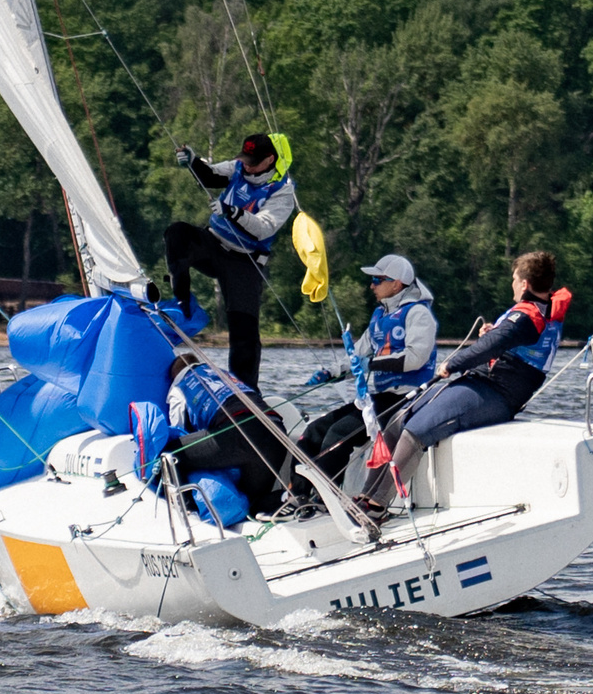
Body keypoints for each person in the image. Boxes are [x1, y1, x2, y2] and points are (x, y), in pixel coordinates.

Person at [358, 249, 572, 514]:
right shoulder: (540, 309)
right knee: (397, 420)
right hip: (481, 383)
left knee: (418, 429)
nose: (513, 286)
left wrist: (453, 364)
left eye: (514, 280)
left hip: (496, 394)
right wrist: (494, 332)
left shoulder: (528, 317)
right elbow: (506, 338)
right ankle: (365, 495)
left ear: (525, 284)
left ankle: (377, 505)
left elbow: (492, 346)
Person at [163, 131, 296, 392]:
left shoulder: (283, 190)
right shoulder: (238, 168)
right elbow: (210, 175)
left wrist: (233, 212)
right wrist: (192, 160)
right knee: (176, 233)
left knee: (244, 332)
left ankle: (244, 392)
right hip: (212, 245)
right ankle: (183, 302)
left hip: (244, 261)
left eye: (253, 161)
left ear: (270, 159)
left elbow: (263, 228)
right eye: (245, 158)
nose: (247, 165)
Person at [293, 254, 437, 491]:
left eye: (378, 280)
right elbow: (358, 356)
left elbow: (414, 358)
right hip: (380, 398)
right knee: (315, 430)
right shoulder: (379, 316)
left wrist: (373, 363)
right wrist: (330, 372)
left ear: (396, 283)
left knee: (339, 433)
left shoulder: (418, 314)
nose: (372, 285)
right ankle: (297, 495)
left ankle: (325, 498)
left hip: (407, 399)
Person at [163, 353, 298, 517]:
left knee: (170, 455)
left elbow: (180, 431)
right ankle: (291, 500)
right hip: (276, 432)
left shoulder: (180, 386)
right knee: (253, 502)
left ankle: (188, 513)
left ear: (175, 375)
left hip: (241, 433)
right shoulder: (222, 374)